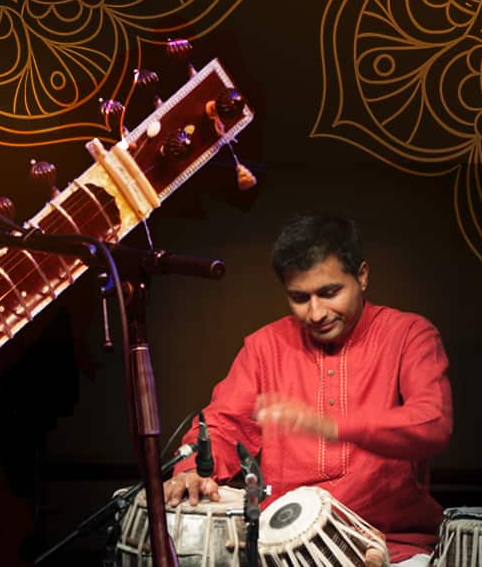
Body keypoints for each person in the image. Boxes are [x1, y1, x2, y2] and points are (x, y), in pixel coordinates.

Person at [164, 213, 452, 566]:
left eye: (329, 293)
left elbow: (432, 422)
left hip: (394, 548)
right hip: (281, 550)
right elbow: (223, 425)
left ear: (362, 276)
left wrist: (333, 426)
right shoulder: (265, 347)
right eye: (300, 297)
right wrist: (194, 469)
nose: (316, 313)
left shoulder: (409, 334)